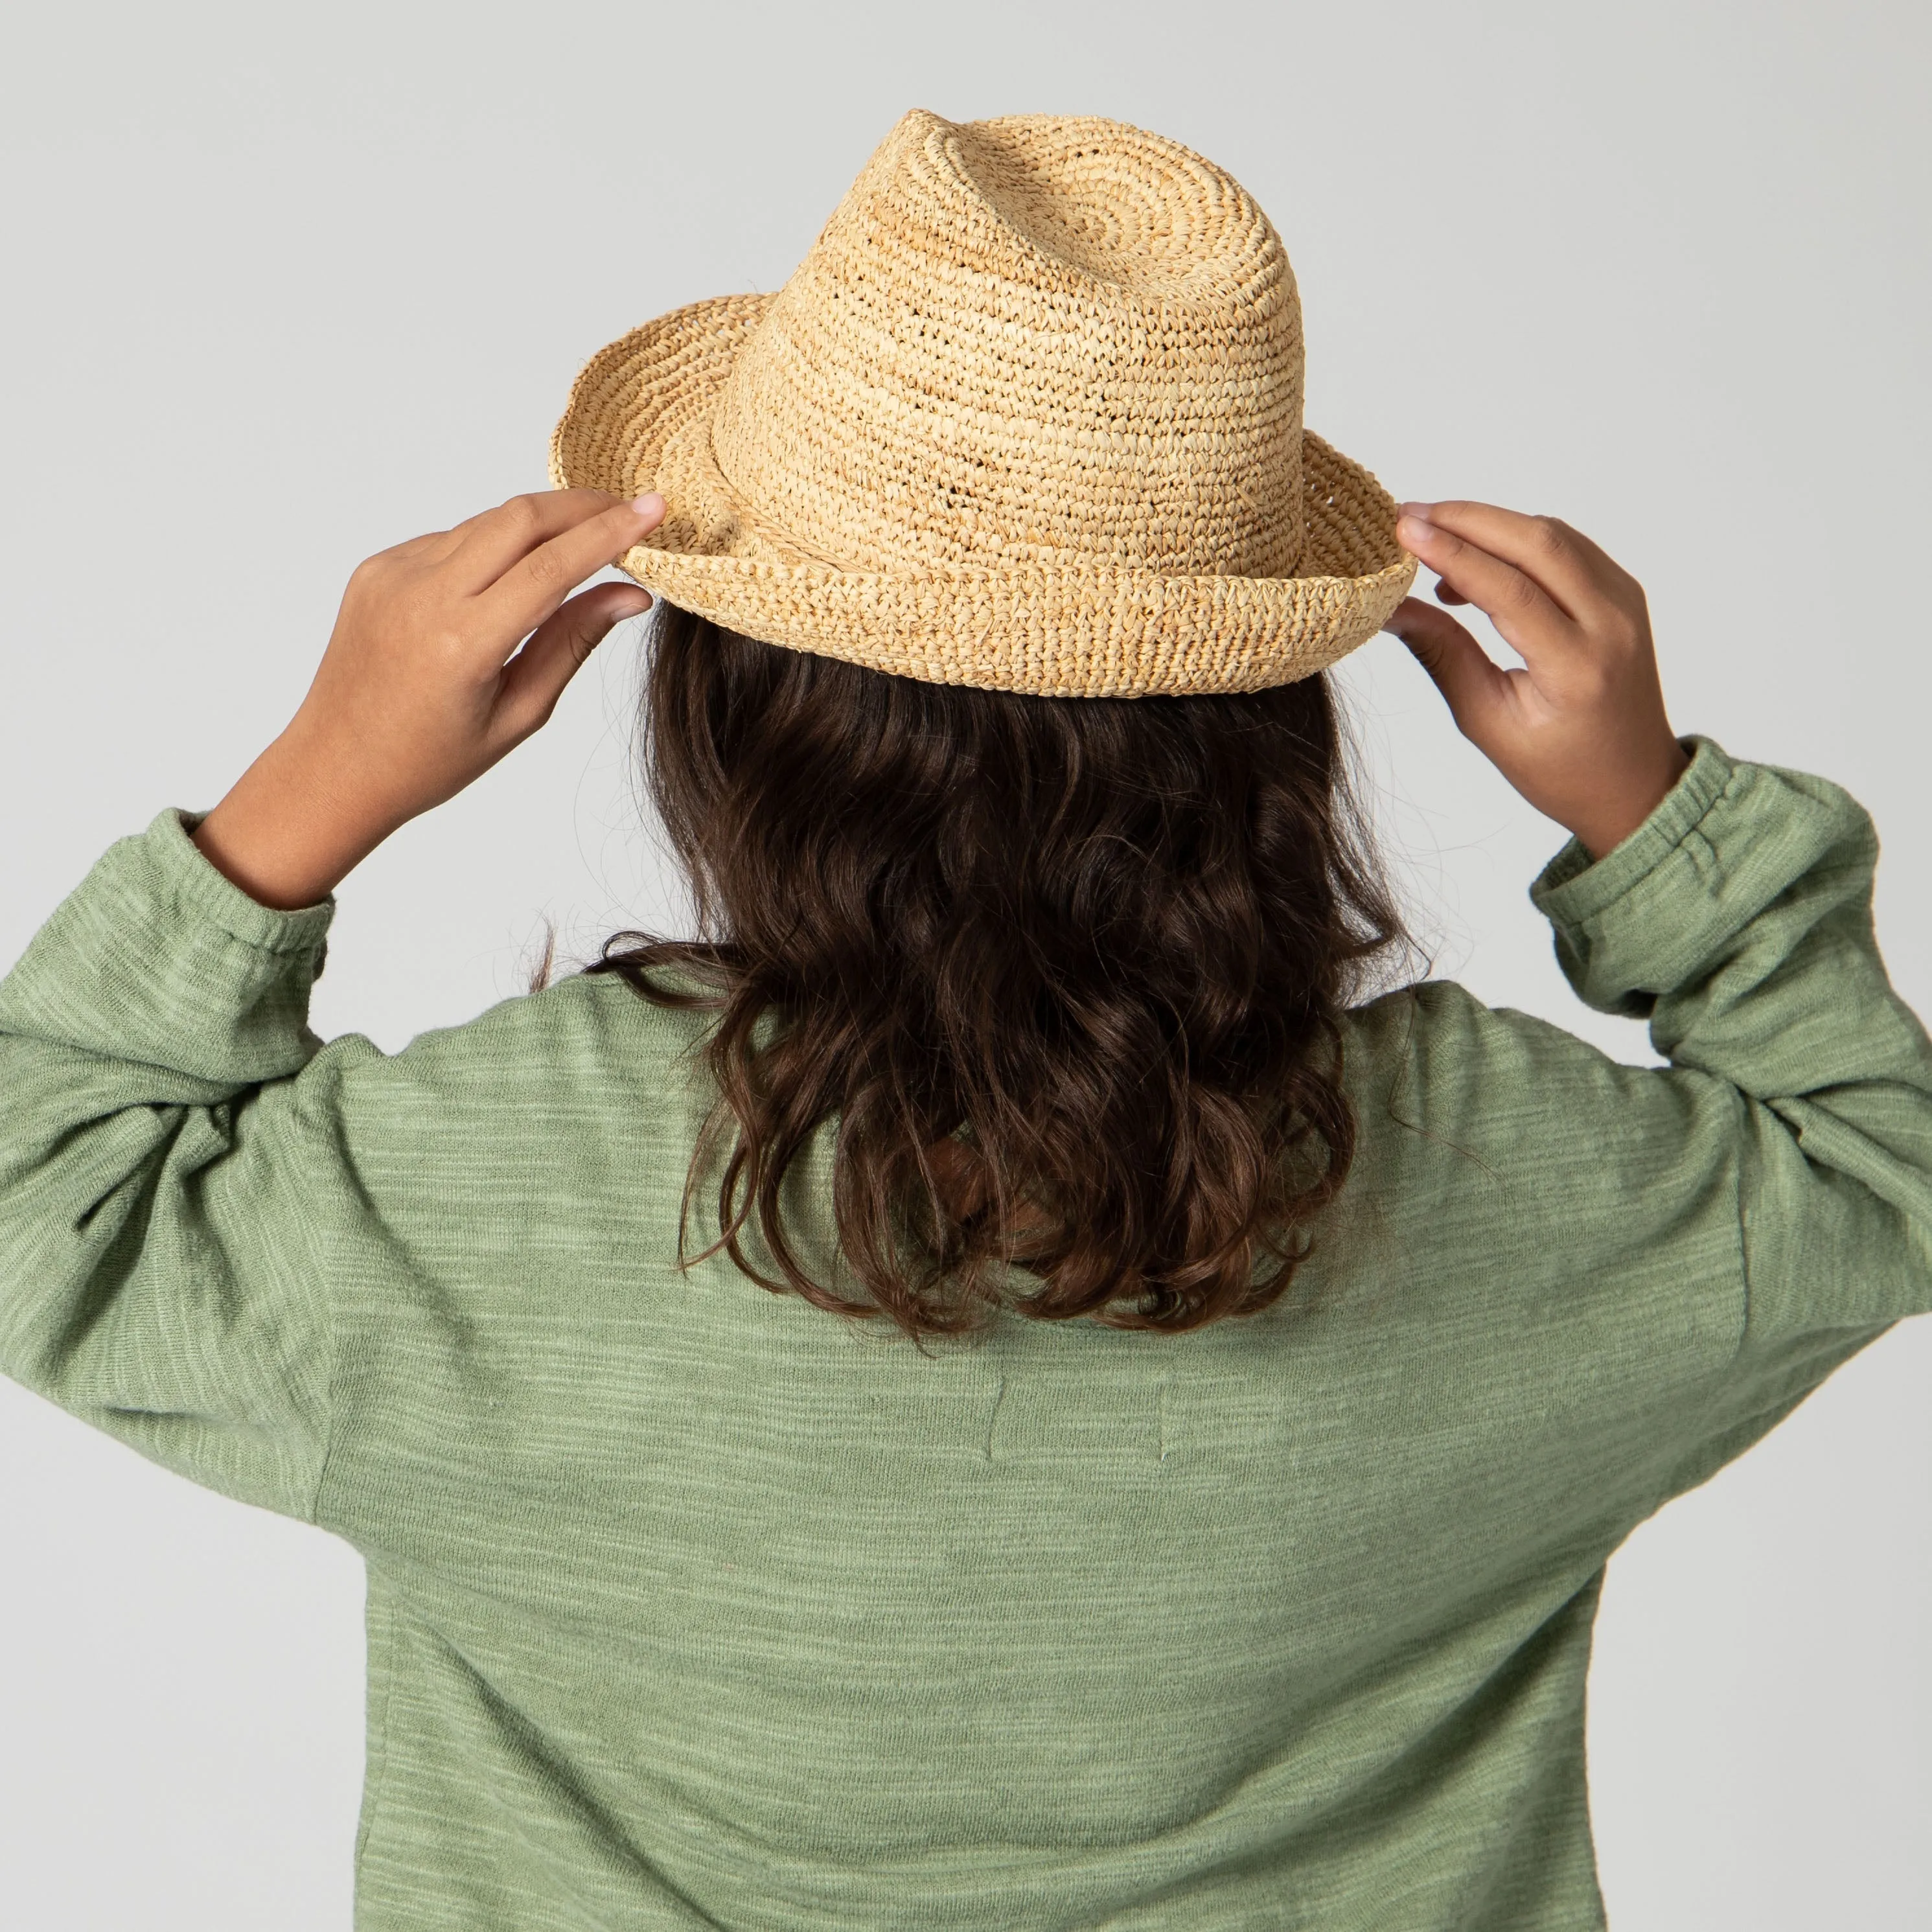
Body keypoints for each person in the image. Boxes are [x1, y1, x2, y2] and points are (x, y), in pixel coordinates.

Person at [3, 109, 1927, 1932]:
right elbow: (1876, 1164)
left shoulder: (489, 1191)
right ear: (1262, 716)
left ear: (723, 705)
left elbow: (36, 1197)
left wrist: (311, 787)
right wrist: (1652, 810)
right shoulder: (1508, 1180)